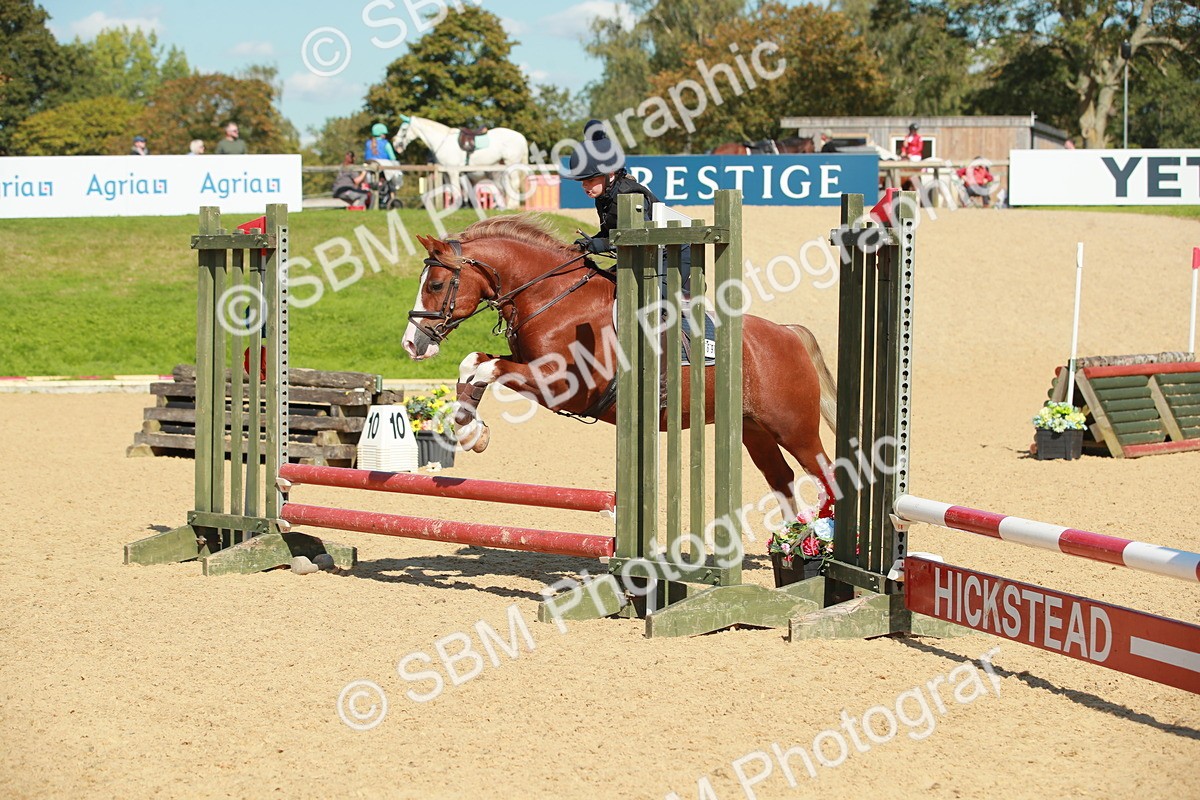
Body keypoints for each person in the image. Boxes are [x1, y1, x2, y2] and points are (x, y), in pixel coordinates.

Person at [565, 119, 690, 294]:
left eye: (590, 180)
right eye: (582, 181)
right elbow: (613, 232)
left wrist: (603, 243)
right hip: (644, 256)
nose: (585, 186)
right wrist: (589, 242)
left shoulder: (630, 194)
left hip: (671, 256)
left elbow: (640, 237)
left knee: (649, 296)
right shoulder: (603, 197)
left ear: (610, 174)